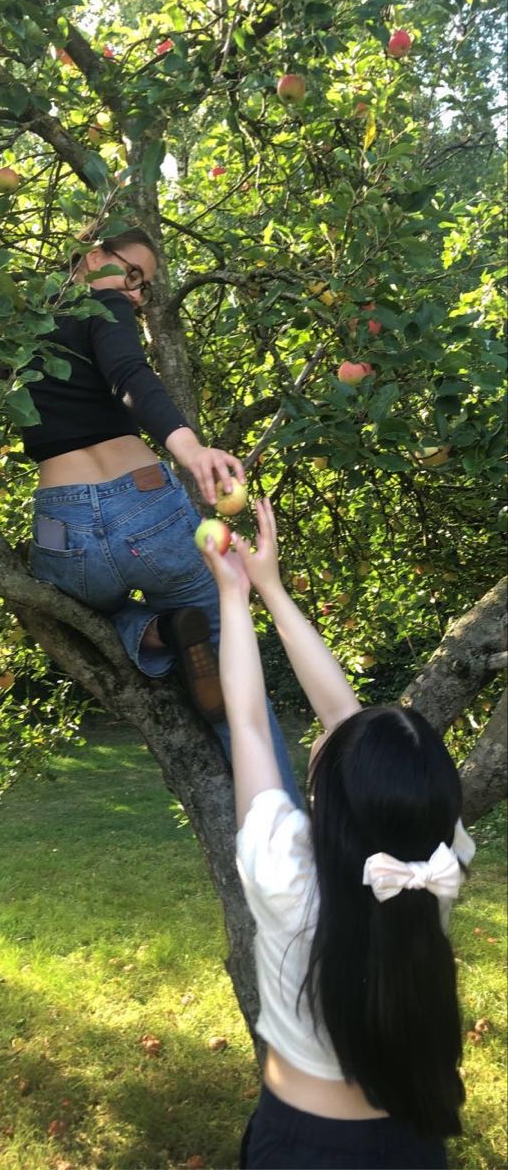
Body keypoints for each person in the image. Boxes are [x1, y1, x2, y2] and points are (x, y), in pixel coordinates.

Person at [203, 498, 475, 1170]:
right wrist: (264, 584)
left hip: (300, 1148)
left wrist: (233, 596)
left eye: (327, 741)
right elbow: (341, 716)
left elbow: (245, 720)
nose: (326, 724)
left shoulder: (285, 878)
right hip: (413, 1139)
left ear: (336, 799)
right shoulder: (437, 858)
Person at [18, 226, 302, 806]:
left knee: (51, 594)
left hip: (61, 531)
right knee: (232, 666)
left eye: (142, 285)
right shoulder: (103, 302)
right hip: (144, 505)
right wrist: (191, 450)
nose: (136, 294)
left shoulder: (18, 333)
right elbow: (130, 374)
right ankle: (290, 831)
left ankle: (144, 631)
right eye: (133, 274)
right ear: (94, 257)